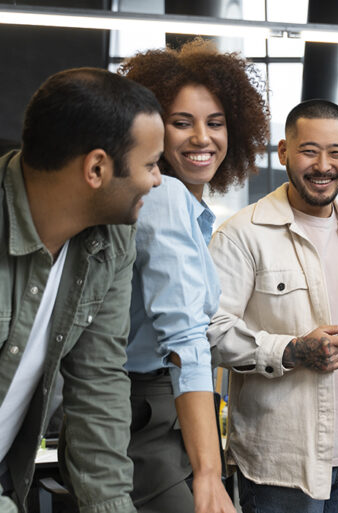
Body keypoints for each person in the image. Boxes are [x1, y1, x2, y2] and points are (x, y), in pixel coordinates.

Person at [207, 99, 338, 513]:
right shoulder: (241, 235)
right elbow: (211, 333)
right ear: (284, 152)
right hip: (279, 466)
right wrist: (290, 350)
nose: (323, 165)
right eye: (309, 151)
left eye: (336, 152)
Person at [0, 68, 163, 512]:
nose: (157, 179)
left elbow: (98, 384)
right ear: (96, 168)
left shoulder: (111, 240)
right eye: (150, 164)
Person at [118, 39, 269, 513]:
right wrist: (208, 473)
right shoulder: (163, 198)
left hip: (166, 405)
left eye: (216, 123)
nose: (201, 138)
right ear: (150, 131)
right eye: (181, 123)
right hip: (147, 404)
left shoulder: (189, 206)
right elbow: (185, 338)